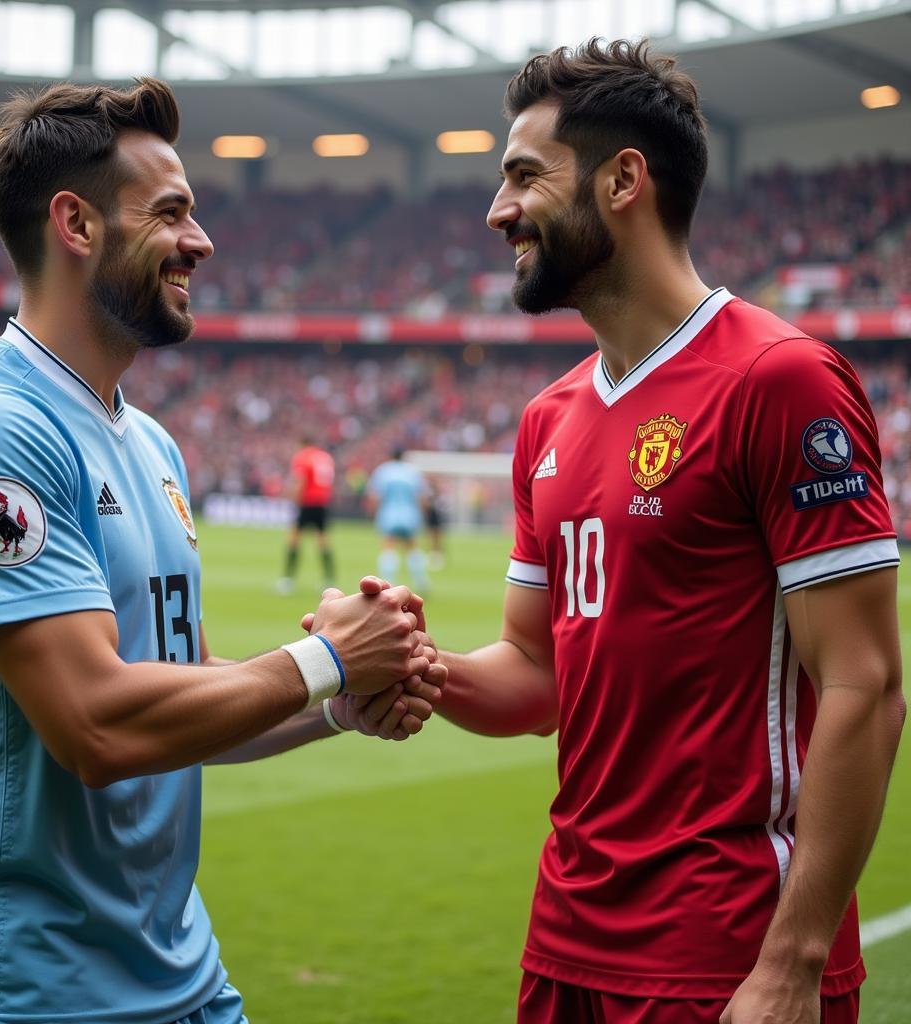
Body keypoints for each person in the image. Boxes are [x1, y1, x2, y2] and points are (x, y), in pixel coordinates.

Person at [0, 79, 443, 1024]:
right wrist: (325, 656)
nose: (203, 240)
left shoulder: (149, 441)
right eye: (173, 211)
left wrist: (336, 704)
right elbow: (99, 725)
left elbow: (169, 691)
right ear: (76, 224)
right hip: (21, 990)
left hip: (177, 973)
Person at [408, 39, 905, 1024]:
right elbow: (532, 672)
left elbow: (865, 682)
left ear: (622, 179)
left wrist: (793, 960)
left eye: (521, 176)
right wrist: (408, 664)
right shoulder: (546, 419)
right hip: (566, 937)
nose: (496, 211)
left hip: (723, 952)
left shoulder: (778, 379)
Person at [276, 434, 336, 594]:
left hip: (307, 501)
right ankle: (329, 579)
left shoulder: (303, 457)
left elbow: (300, 480)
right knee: (323, 541)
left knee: (294, 539)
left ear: (302, 443)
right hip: (322, 502)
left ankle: (287, 580)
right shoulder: (325, 457)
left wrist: (294, 499)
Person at [365, 447, 430, 592]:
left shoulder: (383, 471)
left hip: (389, 514)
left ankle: (388, 583)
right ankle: (422, 582)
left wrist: (374, 513)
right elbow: (422, 496)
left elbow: (375, 496)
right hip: (410, 515)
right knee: (412, 547)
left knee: (388, 546)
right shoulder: (412, 472)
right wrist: (424, 514)